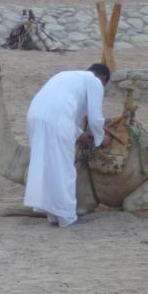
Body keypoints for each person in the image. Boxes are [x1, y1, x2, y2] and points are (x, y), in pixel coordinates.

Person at [23, 64, 112, 227]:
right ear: (102, 78)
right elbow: (95, 117)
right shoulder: (94, 81)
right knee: (64, 169)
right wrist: (101, 138)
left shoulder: (65, 75)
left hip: (35, 117)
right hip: (56, 121)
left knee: (48, 167)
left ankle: (53, 215)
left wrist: (79, 134)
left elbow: (63, 109)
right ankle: (68, 217)